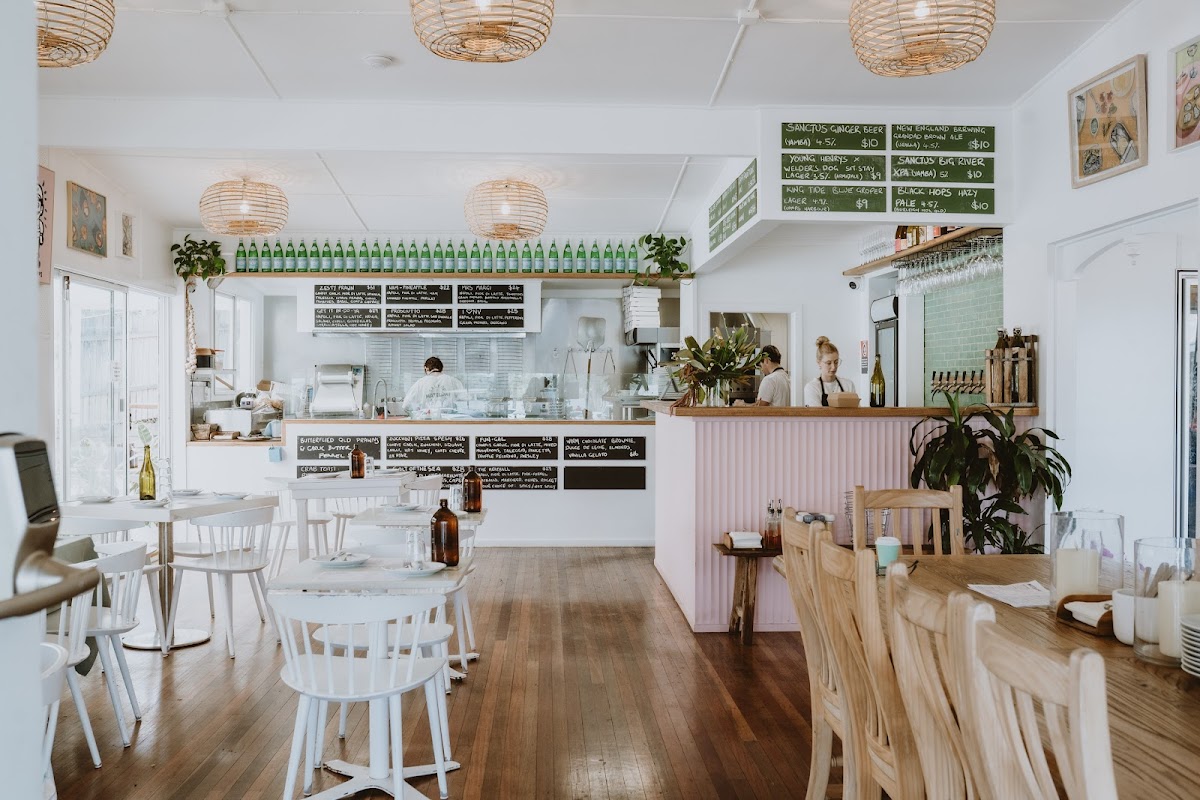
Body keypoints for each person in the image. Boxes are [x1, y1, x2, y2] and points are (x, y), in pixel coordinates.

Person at [803, 336, 856, 407]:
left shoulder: (848, 385)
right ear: (819, 362)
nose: (833, 367)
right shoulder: (812, 387)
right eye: (828, 363)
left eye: (836, 362)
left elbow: (856, 414)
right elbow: (817, 416)